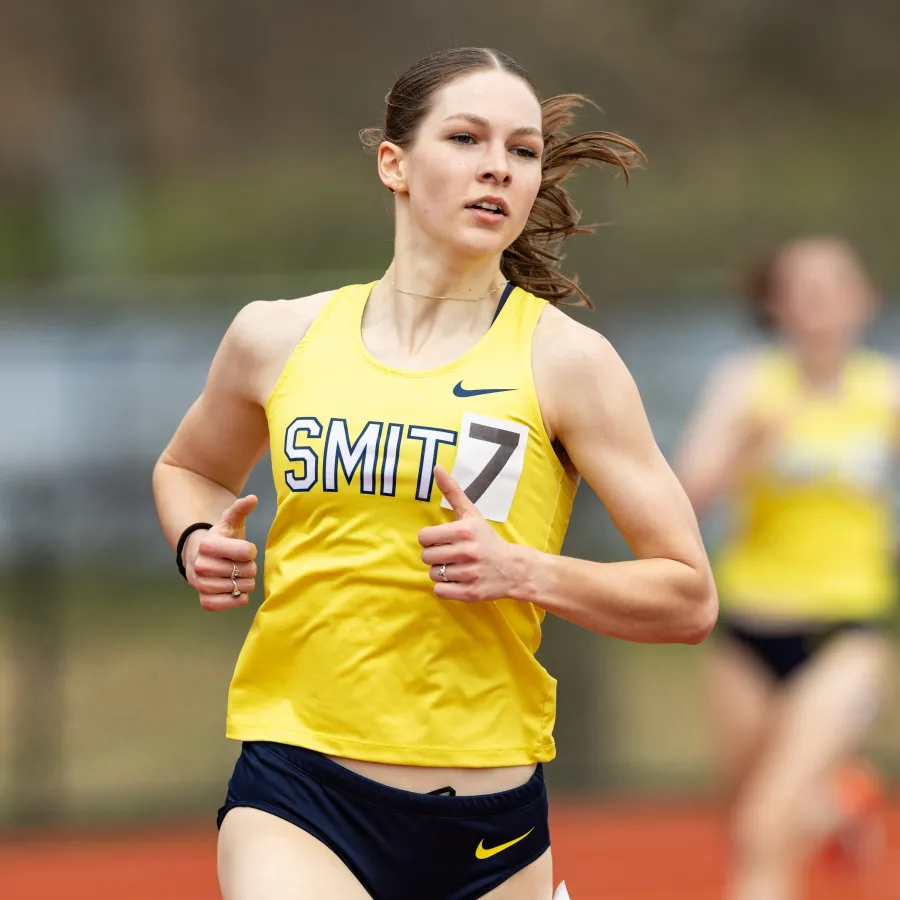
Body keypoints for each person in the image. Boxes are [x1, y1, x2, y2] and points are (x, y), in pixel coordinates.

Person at [153, 46, 717, 900]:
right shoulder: (277, 336)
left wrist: (522, 570)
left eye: (522, 150)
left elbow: (688, 596)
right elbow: (188, 466)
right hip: (300, 787)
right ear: (395, 164)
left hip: (486, 819)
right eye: (465, 138)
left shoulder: (568, 363)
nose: (498, 166)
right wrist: (197, 535)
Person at [676, 237, 895, 900]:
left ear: (865, 300)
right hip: (747, 629)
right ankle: (839, 802)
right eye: (803, 287)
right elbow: (684, 496)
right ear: (775, 306)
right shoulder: (746, 384)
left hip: (845, 631)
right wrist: (745, 446)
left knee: (765, 827)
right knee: (753, 809)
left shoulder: (885, 391)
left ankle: (824, 801)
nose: (820, 300)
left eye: (835, 285)